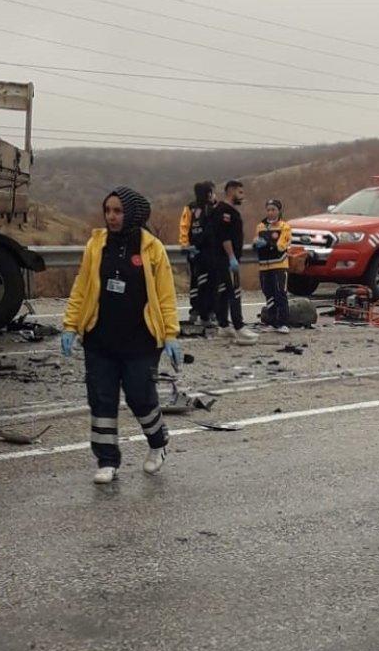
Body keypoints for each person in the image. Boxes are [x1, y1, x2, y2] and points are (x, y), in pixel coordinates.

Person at [61, 186, 181, 484]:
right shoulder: (96, 245)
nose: (111, 217)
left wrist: (171, 334)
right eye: (108, 211)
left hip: (140, 341)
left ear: (133, 214)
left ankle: (158, 442)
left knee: (140, 396)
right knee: (101, 399)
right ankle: (107, 460)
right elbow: (81, 287)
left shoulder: (152, 248)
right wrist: (71, 325)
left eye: (118, 211)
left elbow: (165, 295)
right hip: (100, 339)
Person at [209, 179, 259, 344]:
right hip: (225, 258)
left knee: (224, 291)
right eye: (240, 192)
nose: (242, 196)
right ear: (231, 191)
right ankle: (239, 327)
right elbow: (225, 237)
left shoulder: (227, 211)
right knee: (234, 291)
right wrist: (231, 257)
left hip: (224, 258)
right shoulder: (224, 211)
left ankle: (223, 325)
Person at [178, 180, 216, 330]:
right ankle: (196, 310)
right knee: (196, 281)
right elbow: (184, 226)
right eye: (212, 192)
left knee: (210, 282)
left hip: (210, 251)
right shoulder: (190, 208)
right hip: (195, 251)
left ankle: (210, 311)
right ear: (208, 193)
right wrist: (186, 245)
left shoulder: (214, 207)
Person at [254, 198, 292, 333]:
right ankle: (271, 322)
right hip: (264, 266)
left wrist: (268, 244)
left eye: (273, 209)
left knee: (280, 293)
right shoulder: (260, 226)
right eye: (268, 210)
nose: (270, 212)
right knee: (268, 294)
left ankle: (283, 323)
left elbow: (281, 246)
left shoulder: (284, 226)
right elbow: (256, 243)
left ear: (279, 211)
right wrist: (256, 245)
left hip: (279, 265)